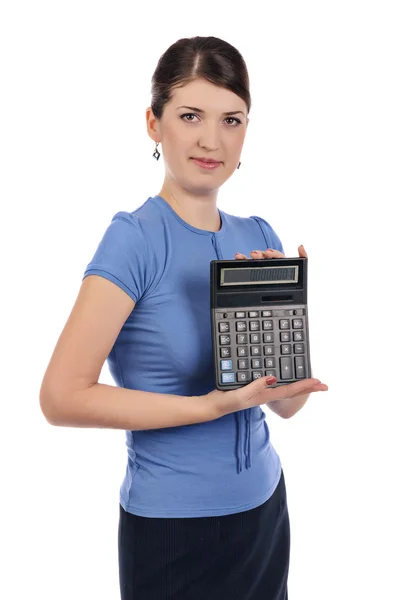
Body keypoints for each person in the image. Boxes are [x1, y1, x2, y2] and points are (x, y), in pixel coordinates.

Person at [39, 36, 328, 600]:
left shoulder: (260, 236)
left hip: (265, 509)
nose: (210, 139)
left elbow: (288, 405)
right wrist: (209, 407)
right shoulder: (135, 238)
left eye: (231, 119)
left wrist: (281, 321)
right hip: (174, 528)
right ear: (154, 124)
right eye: (190, 115)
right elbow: (60, 397)